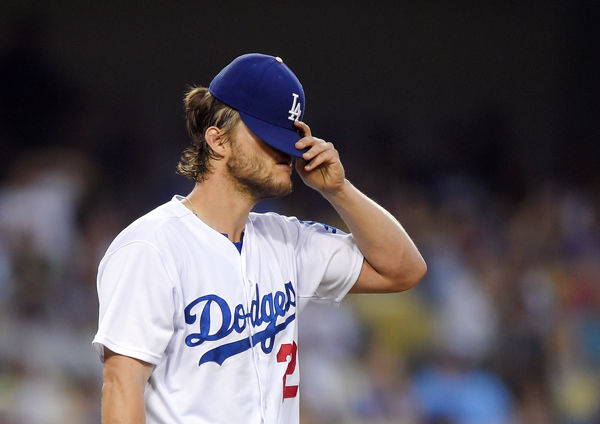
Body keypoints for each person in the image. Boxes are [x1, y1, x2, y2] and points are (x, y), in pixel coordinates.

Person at [93, 53, 426, 424]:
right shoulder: (151, 247)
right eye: (269, 137)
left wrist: (339, 190)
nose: (287, 152)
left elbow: (403, 270)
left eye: (289, 137)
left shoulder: (287, 240)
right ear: (218, 141)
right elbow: (121, 386)